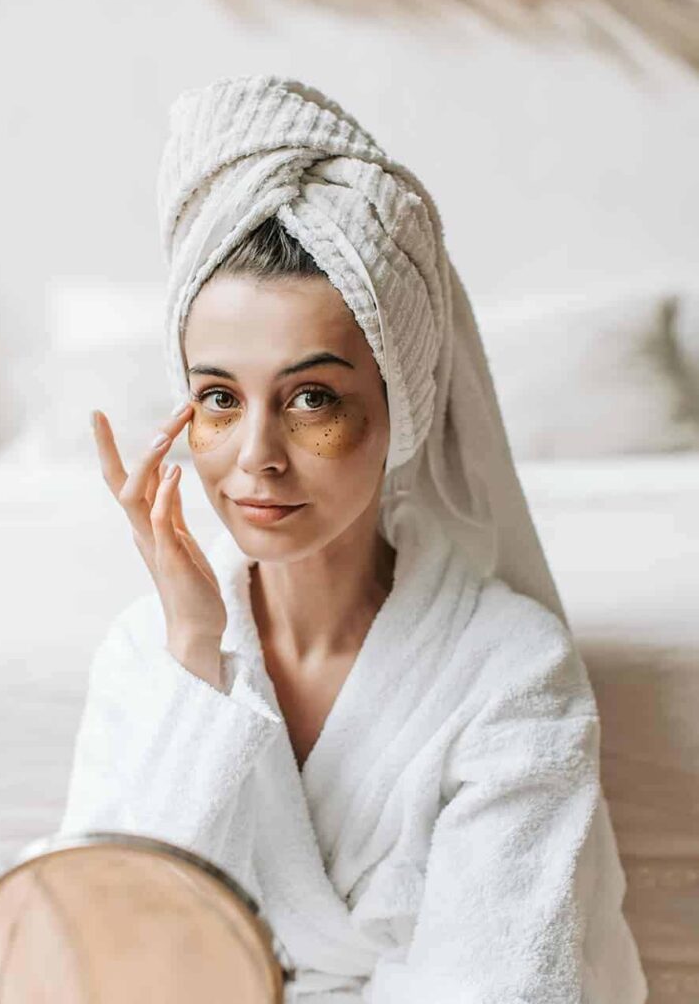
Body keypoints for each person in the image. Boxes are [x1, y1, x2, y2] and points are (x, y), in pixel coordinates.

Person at [59, 76, 647, 1002]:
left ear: (400, 408)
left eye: (312, 398)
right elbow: (103, 956)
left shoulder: (511, 668)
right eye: (219, 397)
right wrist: (195, 658)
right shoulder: (147, 655)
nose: (256, 456)